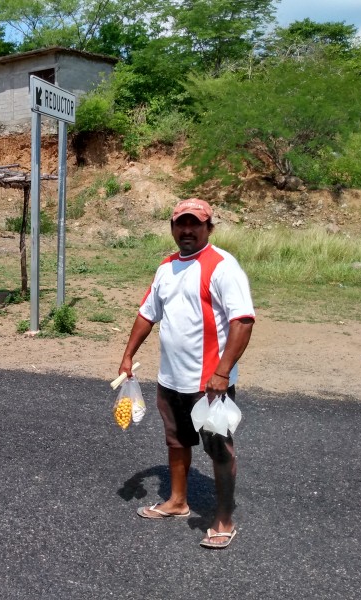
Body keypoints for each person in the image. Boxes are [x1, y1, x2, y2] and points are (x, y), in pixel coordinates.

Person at [118, 198, 255, 549]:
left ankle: (224, 518)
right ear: (172, 228)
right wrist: (127, 355)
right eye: (181, 224)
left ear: (209, 227)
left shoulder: (223, 266)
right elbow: (148, 313)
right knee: (176, 442)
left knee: (219, 449)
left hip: (209, 383)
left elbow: (242, 321)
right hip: (171, 379)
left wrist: (222, 372)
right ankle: (178, 502)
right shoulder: (166, 267)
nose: (187, 230)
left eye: (195, 224)